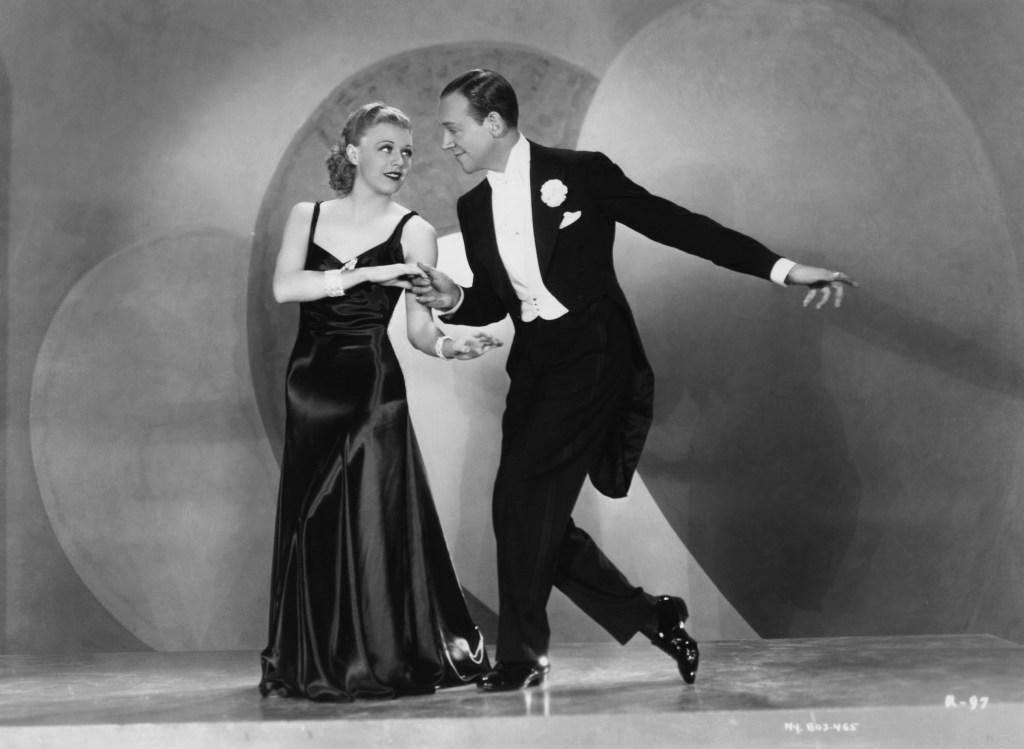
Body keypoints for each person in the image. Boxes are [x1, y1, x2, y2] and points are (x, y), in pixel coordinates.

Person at [411, 69, 856, 692]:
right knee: (522, 516)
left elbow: (678, 225)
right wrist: (450, 294)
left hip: (594, 362)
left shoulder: (583, 172)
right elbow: (490, 299)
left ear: (493, 123)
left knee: (522, 507)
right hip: (536, 367)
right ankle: (653, 615)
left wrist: (783, 269)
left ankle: (520, 659)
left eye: (451, 129)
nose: (445, 143)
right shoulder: (472, 205)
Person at [259, 102, 501, 701]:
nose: (399, 161)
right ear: (352, 152)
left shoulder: (414, 230)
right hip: (310, 385)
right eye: (386, 147)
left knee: (367, 518)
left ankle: (378, 655)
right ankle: (314, 656)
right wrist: (366, 275)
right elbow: (286, 287)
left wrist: (451, 345)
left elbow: (419, 330)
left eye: (407, 151)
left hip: (373, 389)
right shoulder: (307, 215)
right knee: (310, 526)